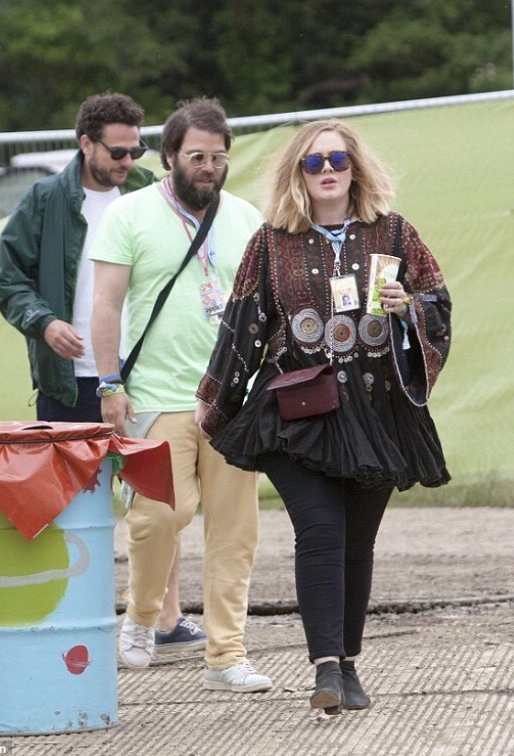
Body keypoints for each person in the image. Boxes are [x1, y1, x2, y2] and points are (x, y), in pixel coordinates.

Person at [195, 118, 451, 713]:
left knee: (357, 543)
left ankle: (351, 665)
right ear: (297, 174)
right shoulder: (270, 242)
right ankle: (325, 670)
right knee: (320, 533)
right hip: (296, 414)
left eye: (338, 160)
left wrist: (408, 308)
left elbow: (438, 303)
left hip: (378, 413)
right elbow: (243, 328)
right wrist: (215, 407)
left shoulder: (394, 233)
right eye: (314, 163)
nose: (328, 171)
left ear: (355, 168)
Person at [0, 92, 204, 653]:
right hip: (68, 380)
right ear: (84, 143)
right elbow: (7, 280)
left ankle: (165, 619)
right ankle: (70, 615)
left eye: (136, 151)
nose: (126, 162)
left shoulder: (150, 198)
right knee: (70, 506)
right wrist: (43, 323)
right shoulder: (42, 201)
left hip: (142, 377)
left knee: (158, 501)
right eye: (116, 150)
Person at [89, 97, 272, 693]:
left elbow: (266, 308)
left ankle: (226, 654)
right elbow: (105, 304)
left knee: (235, 531)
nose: (208, 167)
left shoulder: (247, 218)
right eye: (196, 156)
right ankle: (142, 615)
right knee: (161, 515)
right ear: (169, 156)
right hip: (158, 394)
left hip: (232, 398)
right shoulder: (130, 214)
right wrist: (110, 382)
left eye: (218, 157)